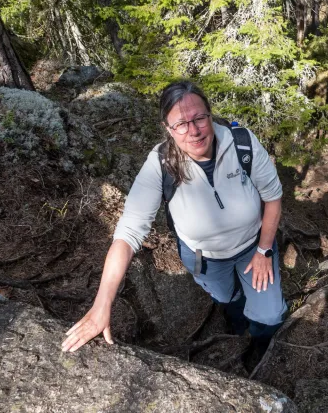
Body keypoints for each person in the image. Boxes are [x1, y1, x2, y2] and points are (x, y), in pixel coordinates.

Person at [61, 80, 288, 362]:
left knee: (270, 314)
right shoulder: (160, 163)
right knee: (226, 297)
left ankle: (259, 344)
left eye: (199, 118)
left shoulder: (240, 143)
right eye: (181, 124)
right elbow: (129, 232)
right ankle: (236, 324)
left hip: (254, 247)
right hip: (204, 257)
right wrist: (101, 304)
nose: (193, 131)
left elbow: (273, 196)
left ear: (209, 114)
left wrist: (265, 249)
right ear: (167, 128)